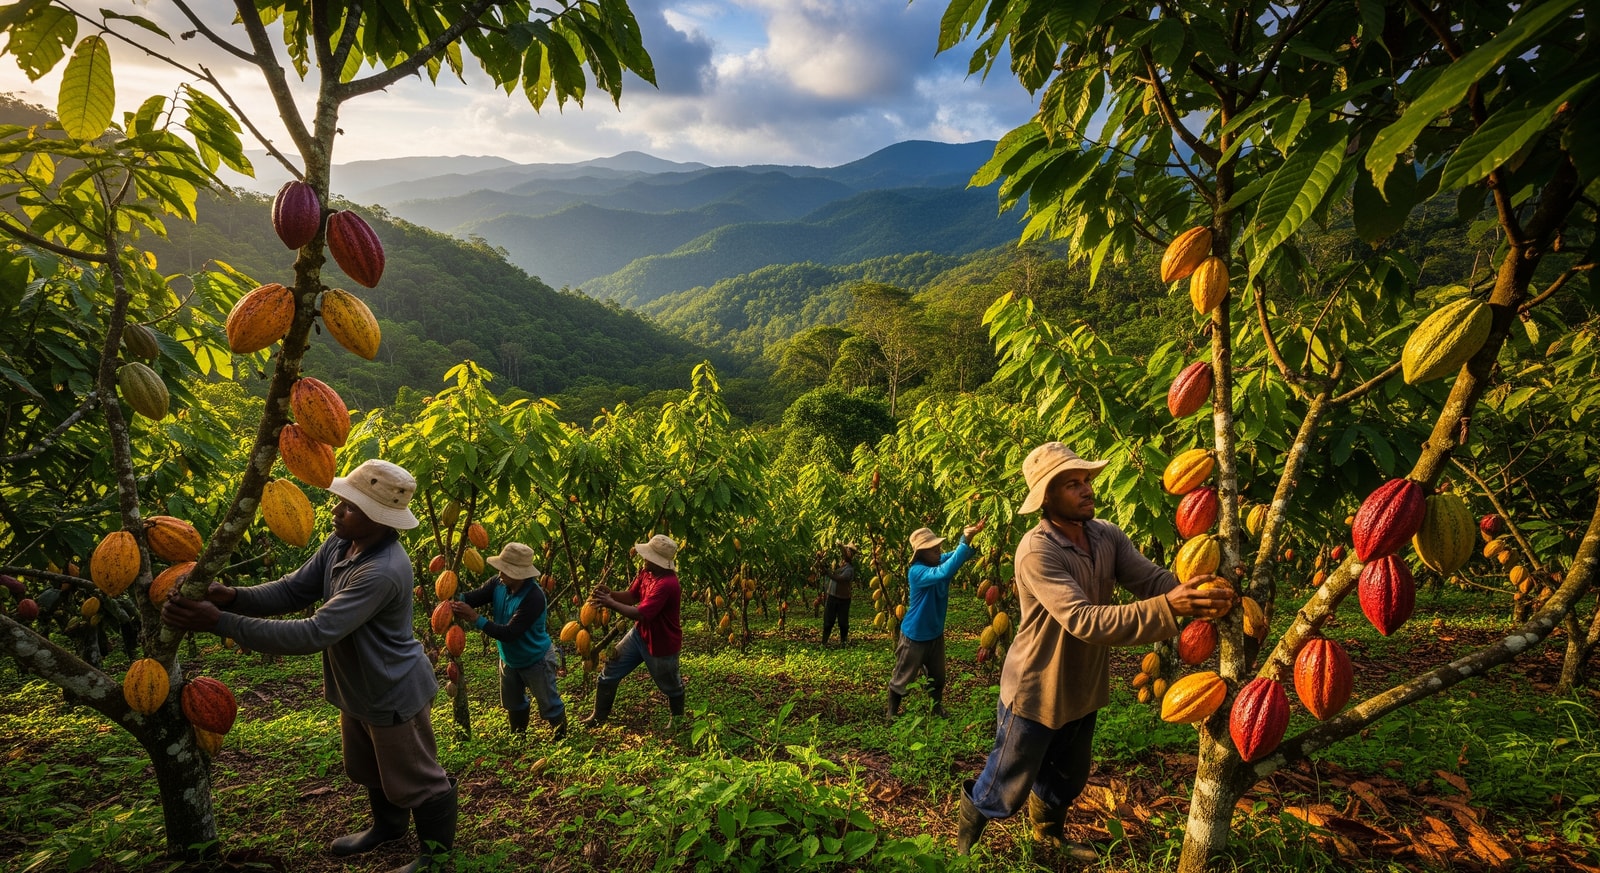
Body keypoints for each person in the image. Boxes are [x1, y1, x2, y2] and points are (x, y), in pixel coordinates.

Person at [162, 458, 457, 872]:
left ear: (378, 518)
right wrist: (231, 596)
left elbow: (313, 633)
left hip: (392, 690)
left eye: (349, 507)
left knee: (417, 778)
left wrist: (219, 622)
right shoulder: (341, 544)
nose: (336, 511)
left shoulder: (383, 570)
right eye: (340, 502)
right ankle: (388, 828)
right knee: (372, 767)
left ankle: (436, 860)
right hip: (356, 686)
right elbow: (294, 589)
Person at [956, 442, 1235, 860]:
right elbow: (1084, 620)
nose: (1087, 489)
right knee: (1004, 785)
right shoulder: (1037, 550)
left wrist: (1199, 588)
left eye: (1086, 480)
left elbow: (1151, 580)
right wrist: (1168, 608)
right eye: (1072, 484)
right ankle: (961, 850)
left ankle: (1047, 837)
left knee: (1066, 778)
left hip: (1083, 683)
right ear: (1047, 498)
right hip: (1036, 687)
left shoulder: (1106, 535)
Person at [450, 541, 566, 740]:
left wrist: (474, 618)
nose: (500, 573)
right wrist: (453, 596)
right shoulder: (499, 583)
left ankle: (561, 738)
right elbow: (475, 597)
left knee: (549, 704)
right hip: (509, 658)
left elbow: (511, 632)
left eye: (505, 570)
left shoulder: (534, 597)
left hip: (536, 659)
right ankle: (518, 738)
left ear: (519, 574)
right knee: (514, 703)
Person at [580, 533, 685, 728]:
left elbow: (641, 614)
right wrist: (609, 594)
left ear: (658, 561)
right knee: (611, 666)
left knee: (670, 684)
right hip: (639, 635)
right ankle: (598, 716)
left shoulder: (667, 584)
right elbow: (631, 596)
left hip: (662, 642)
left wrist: (609, 603)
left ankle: (677, 720)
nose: (643, 559)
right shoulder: (646, 573)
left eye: (648, 556)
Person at [888, 519, 985, 719]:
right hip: (914, 636)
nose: (938, 551)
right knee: (903, 677)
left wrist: (972, 537)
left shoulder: (938, 560)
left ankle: (935, 708)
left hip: (935, 634)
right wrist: (964, 541)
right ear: (921, 554)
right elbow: (945, 571)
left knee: (938, 677)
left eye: (938, 548)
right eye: (933, 549)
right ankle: (891, 712)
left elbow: (959, 555)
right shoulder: (917, 571)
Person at [820, 542, 858, 646]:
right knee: (828, 621)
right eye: (847, 551)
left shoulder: (849, 569)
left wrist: (828, 573)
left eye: (850, 552)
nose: (847, 553)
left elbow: (840, 579)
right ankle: (823, 643)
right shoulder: (839, 564)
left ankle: (843, 642)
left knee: (843, 623)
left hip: (843, 599)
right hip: (832, 597)